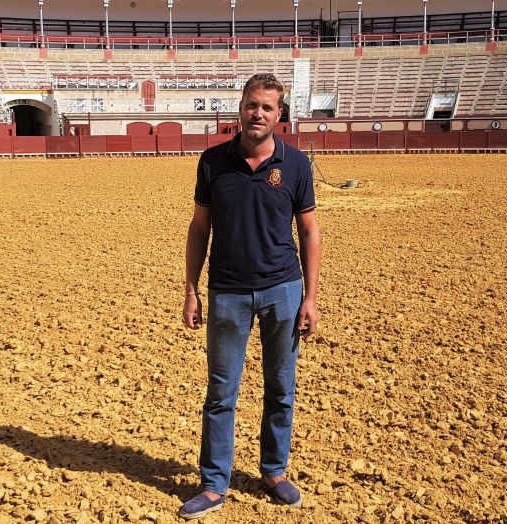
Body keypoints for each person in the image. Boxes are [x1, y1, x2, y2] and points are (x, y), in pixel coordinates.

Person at [179, 73, 322, 520]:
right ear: (240, 107)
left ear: (279, 114)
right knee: (221, 391)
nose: (257, 113)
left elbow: (310, 231)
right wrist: (191, 289)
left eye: (267, 107)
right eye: (251, 105)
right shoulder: (212, 161)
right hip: (228, 293)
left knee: (281, 387)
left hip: (283, 289)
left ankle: (274, 471)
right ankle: (214, 483)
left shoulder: (296, 164)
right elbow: (200, 227)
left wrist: (311, 297)